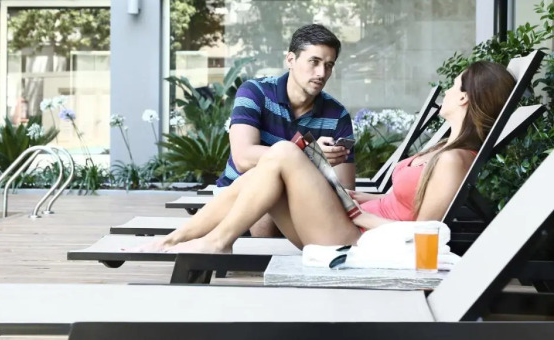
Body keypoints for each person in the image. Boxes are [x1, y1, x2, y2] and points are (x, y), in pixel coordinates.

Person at [140, 60, 515, 253]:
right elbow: (397, 202)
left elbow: (427, 233)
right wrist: (345, 194)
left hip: (355, 237)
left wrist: (358, 214)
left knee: (283, 152)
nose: (446, 91)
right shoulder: (443, 150)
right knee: (266, 167)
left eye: (453, 85)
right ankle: (179, 237)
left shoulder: (452, 160)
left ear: (463, 97)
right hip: (351, 222)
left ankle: (217, 241)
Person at [220, 24, 355, 237]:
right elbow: (243, 158)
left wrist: (321, 165)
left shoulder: (337, 115)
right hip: (234, 201)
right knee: (267, 187)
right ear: (290, 60)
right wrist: (312, 155)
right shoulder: (255, 92)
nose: (322, 73)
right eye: (314, 62)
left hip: (300, 207)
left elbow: (345, 191)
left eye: (329, 65)